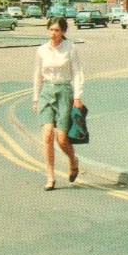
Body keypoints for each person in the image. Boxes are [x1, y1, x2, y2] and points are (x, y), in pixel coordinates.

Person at [32, 16, 84, 191]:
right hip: (46, 92)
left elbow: (77, 73)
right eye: (51, 30)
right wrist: (35, 98)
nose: (53, 34)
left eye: (57, 30)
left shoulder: (70, 49)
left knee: (61, 139)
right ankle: (50, 177)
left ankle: (73, 161)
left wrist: (77, 96)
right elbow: (38, 75)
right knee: (47, 136)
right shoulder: (41, 50)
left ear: (63, 32)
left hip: (64, 92)